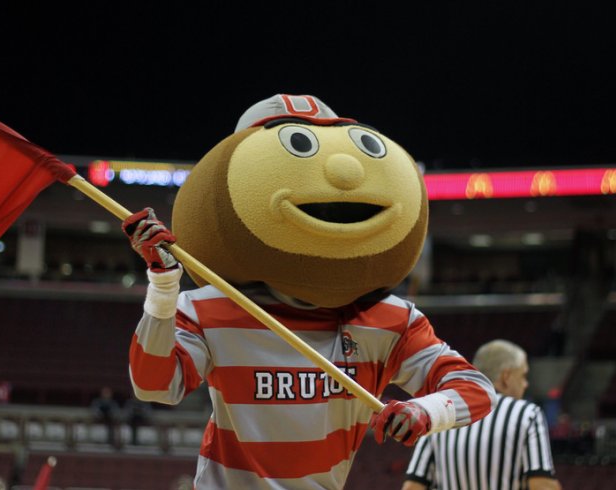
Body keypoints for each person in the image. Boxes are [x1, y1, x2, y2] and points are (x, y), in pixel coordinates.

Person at [121, 94, 497, 489]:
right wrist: (163, 286)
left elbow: (476, 389)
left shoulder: (392, 320)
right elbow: (155, 386)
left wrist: (425, 411)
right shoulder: (209, 308)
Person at [403, 340, 561, 490]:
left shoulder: (441, 414)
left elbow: (413, 486)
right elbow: (542, 485)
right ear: (506, 377)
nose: (525, 384)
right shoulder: (527, 414)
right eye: (523, 376)